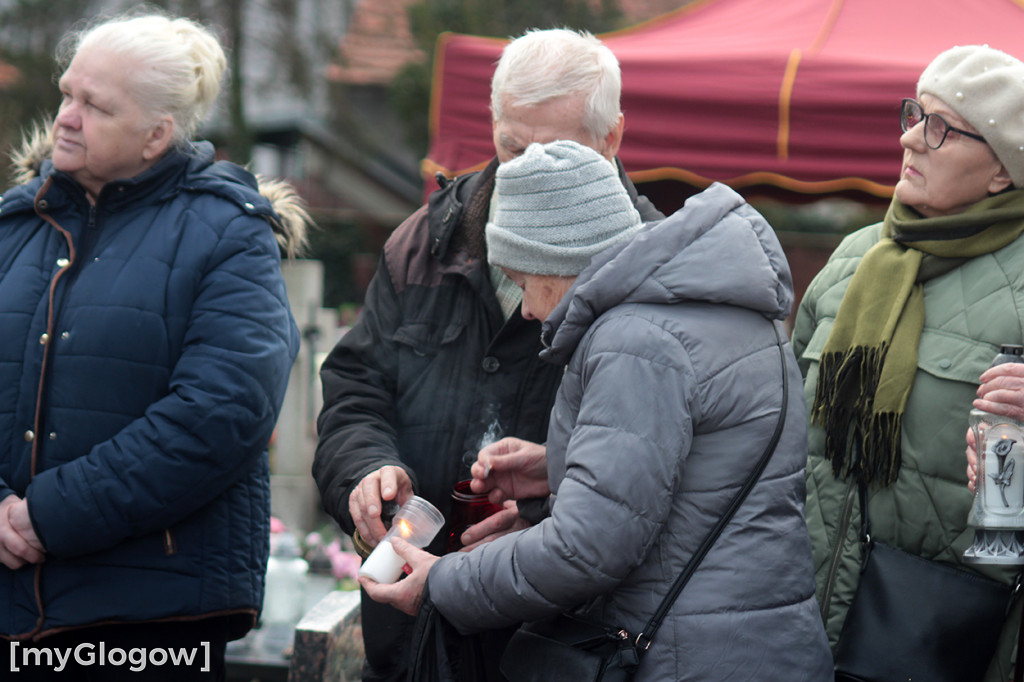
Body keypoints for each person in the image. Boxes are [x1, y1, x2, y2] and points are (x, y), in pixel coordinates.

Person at [360, 139, 834, 680]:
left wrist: (443, 583)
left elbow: (586, 549)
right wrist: (556, 466)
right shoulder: (716, 307)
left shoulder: (634, 337)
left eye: (523, 283)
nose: (531, 311)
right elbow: (697, 476)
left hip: (682, 657)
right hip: (753, 644)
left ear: (559, 259)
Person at [312, 28, 663, 682]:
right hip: (409, 646)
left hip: (561, 650)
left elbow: (654, 481)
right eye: (510, 148)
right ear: (492, 123)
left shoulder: (647, 270)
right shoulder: (422, 242)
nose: (525, 173)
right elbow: (355, 392)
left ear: (611, 138)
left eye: (552, 151)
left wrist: (540, 525)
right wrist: (364, 472)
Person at [0, 12, 307, 681]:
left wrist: (47, 518)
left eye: (96, 106)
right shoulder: (18, 224)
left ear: (156, 135)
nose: (66, 119)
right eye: (67, 94)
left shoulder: (229, 234)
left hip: (147, 617)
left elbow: (221, 413)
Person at [794, 44, 1024, 680]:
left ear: (1003, 171)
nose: (914, 141)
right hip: (795, 618)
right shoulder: (849, 262)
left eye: (943, 127)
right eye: (915, 115)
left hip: (941, 637)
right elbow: (773, 436)